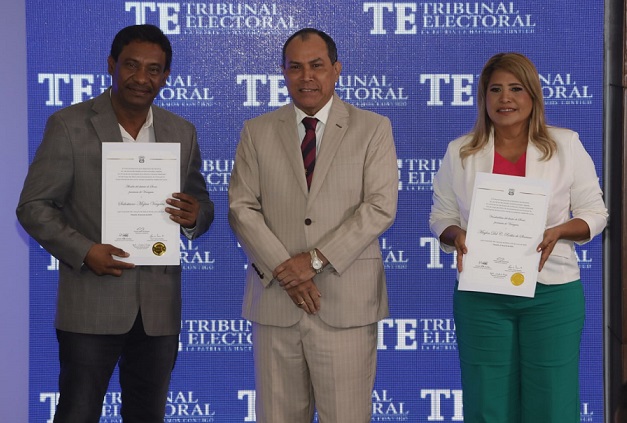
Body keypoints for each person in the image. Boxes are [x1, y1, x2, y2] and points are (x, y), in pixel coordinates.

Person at [17, 24, 213, 422]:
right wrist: (85, 251)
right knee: (77, 413)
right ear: (111, 65)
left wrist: (195, 217)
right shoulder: (69, 125)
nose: (142, 78)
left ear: (166, 76)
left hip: (158, 310)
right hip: (91, 302)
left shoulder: (182, 132)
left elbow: (201, 202)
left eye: (154, 69)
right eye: (131, 65)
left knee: (147, 415)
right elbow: (34, 206)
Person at [228, 28, 398, 422]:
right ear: (283, 72)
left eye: (317, 66)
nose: (306, 76)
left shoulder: (373, 127)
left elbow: (379, 207)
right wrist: (287, 271)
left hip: (346, 304)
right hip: (276, 302)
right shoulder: (257, 131)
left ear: (336, 69)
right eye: (295, 67)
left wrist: (315, 260)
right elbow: (241, 207)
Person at [429, 52, 607, 422]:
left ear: (533, 95)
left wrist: (559, 231)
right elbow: (441, 216)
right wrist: (456, 234)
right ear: (484, 97)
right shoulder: (460, 151)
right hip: (481, 295)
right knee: (487, 402)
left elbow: (595, 213)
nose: (505, 98)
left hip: (552, 294)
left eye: (516, 88)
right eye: (495, 89)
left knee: (552, 403)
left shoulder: (565, 145)